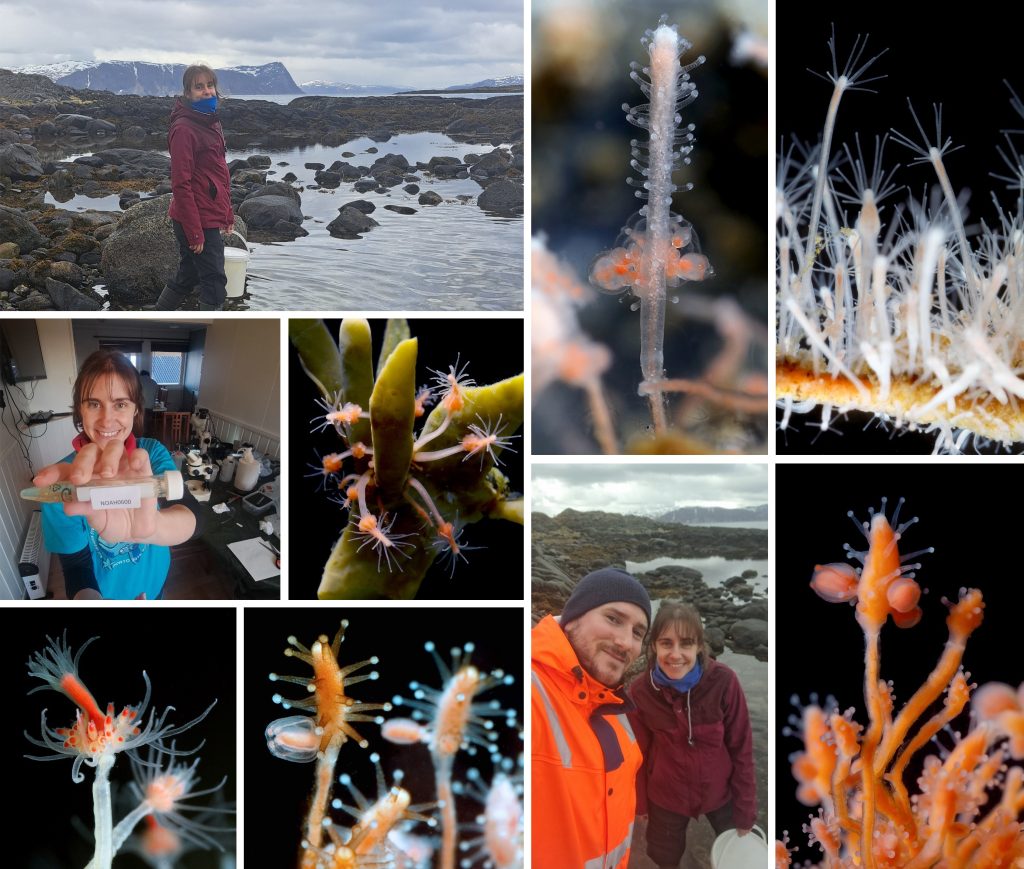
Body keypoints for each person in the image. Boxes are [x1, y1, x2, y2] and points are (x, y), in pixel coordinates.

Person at [33, 350, 202, 599]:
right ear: (80, 410)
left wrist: (150, 528)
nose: (107, 420)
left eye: (120, 404)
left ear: (135, 409)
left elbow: (194, 517)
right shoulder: (63, 482)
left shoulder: (151, 454)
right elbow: (75, 566)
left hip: (155, 591)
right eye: (93, 403)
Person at [531, 567, 651, 868]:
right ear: (573, 617)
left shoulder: (618, 712)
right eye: (613, 618)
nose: (625, 642)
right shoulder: (532, 692)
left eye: (638, 632)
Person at [627, 602, 757, 868]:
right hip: (665, 796)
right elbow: (636, 755)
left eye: (686, 643)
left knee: (740, 854)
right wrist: (640, 804)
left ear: (699, 646)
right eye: (666, 643)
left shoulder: (724, 681)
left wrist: (745, 810)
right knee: (664, 857)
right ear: (653, 646)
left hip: (720, 792)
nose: (675, 654)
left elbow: (741, 748)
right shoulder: (640, 692)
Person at [149, 63, 235, 312]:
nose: (207, 91)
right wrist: (194, 232)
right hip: (195, 218)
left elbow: (219, 175)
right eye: (199, 87)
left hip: (207, 213)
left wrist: (227, 214)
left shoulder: (211, 122)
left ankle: (159, 313)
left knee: (188, 274)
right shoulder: (184, 129)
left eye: (210, 85)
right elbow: (181, 184)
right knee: (215, 282)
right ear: (188, 93)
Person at [138, 368, 157, 436]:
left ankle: (140, 435)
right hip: (150, 407)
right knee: (148, 423)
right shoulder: (154, 382)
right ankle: (147, 435)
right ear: (148, 375)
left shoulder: (137, 380)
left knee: (139, 424)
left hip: (139, 407)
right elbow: (155, 396)